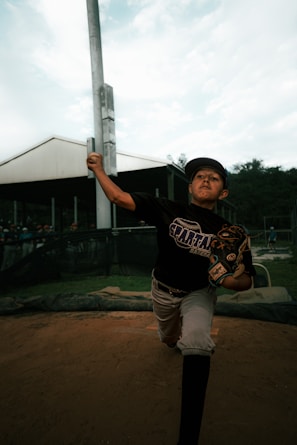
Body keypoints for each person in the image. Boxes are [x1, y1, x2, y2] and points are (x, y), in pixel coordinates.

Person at [86, 152, 255, 445]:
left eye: (213, 178)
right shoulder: (167, 209)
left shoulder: (231, 234)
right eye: (199, 176)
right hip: (163, 289)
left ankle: (188, 437)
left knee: (198, 343)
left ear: (222, 192)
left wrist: (228, 280)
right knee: (168, 337)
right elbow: (119, 199)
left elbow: (247, 280)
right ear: (189, 187)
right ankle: (171, 338)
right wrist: (99, 170)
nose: (205, 180)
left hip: (199, 293)